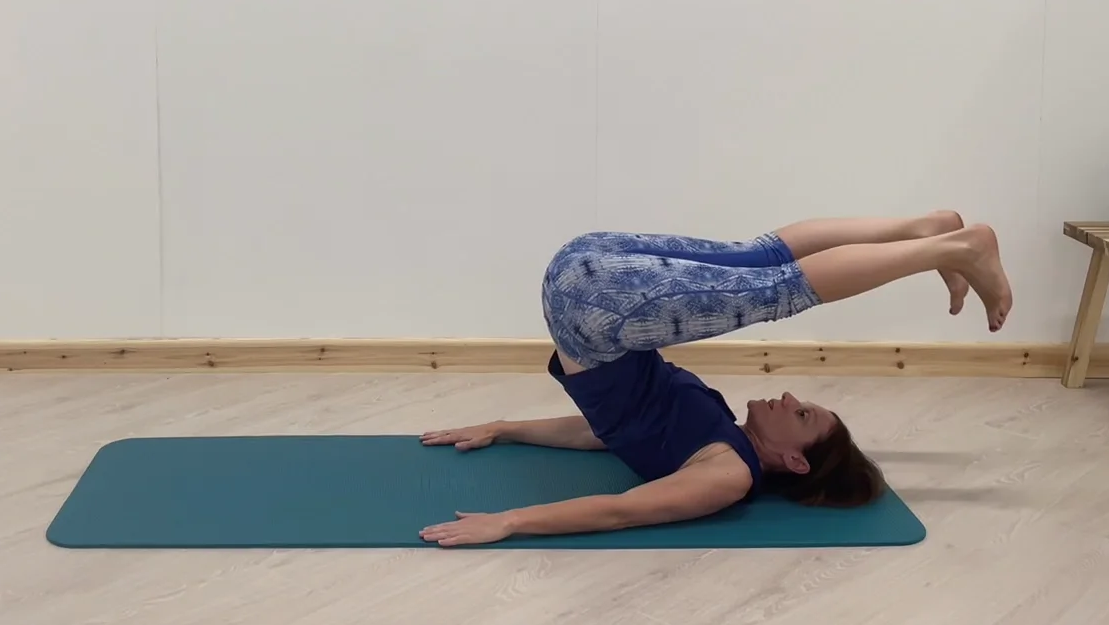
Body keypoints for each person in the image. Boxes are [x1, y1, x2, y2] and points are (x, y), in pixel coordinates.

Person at [417, 211, 1013, 547]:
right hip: (591, 297)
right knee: (763, 264)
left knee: (773, 278)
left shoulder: (727, 476)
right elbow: (610, 431)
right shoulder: (715, 430)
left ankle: (947, 244)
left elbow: (620, 509)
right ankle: (929, 236)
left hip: (595, 300)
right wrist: (506, 428)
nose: (790, 397)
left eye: (802, 414)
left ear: (796, 462)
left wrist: (511, 520)